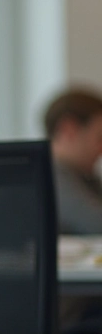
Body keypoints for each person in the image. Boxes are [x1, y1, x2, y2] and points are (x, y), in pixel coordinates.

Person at [46, 88, 102, 234]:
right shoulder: (49, 177)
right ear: (68, 129)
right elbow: (96, 223)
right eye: (99, 138)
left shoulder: (85, 177)